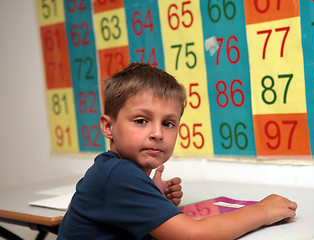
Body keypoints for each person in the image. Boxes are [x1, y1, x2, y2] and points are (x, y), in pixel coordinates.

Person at [57, 63, 297, 240]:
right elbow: (194, 236)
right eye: (141, 120)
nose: (158, 133)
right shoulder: (119, 174)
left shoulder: (109, 168)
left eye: (168, 123)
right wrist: (262, 211)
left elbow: (78, 208)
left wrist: (150, 195)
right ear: (108, 127)